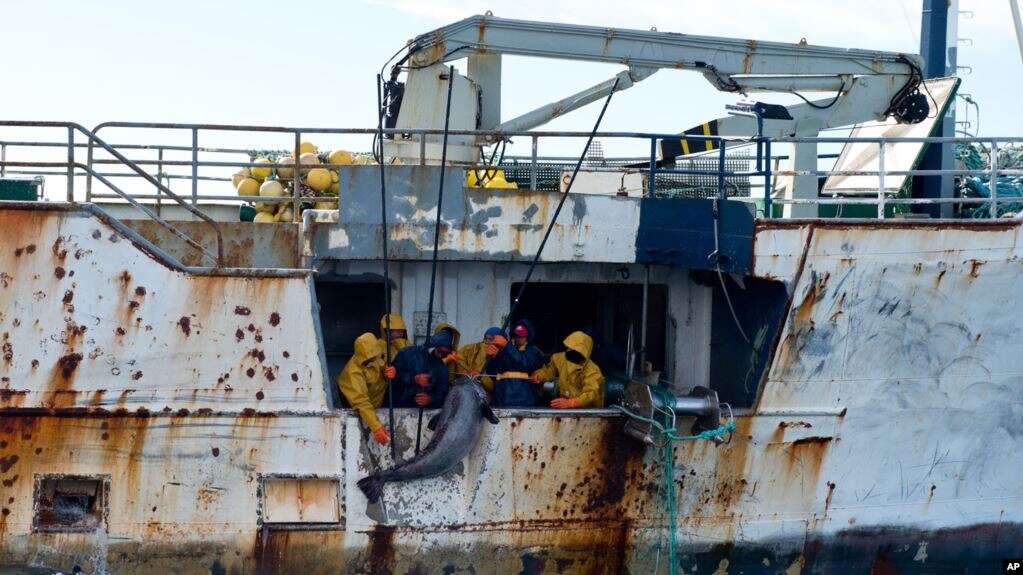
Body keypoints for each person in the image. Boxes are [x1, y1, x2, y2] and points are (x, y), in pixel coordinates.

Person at [336, 332, 391, 445]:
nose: (373, 359)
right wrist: (376, 428)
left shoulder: (374, 357)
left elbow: (380, 363)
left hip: (378, 403)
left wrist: (387, 371)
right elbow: (361, 402)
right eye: (370, 358)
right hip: (362, 410)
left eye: (375, 356)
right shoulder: (353, 373)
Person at [387, 323, 458, 408]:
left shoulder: (442, 368)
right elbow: (391, 380)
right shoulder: (406, 353)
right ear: (433, 346)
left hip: (421, 412)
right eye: (440, 351)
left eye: (445, 353)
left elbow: (443, 394)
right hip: (397, 408)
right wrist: (413, 379)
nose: (441, 355)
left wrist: (431, 399)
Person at [531, 331, 604, 409]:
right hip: (564, 408)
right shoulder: (559, 358)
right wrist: (539, 376)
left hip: (587, 412)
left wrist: (572, 403)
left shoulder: (592, 370)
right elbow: (549, 370)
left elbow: (591, 393)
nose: (571, 352)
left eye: (577, 351)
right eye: (570, 349)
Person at [485, 320, 545, 408]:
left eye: (522, 335)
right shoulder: (505, 351)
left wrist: (507, 346)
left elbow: (525, 364)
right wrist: (491, 358)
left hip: (526, 400)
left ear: (528, 336)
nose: (519, 338)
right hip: (502, 399)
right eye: (516, 335)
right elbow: (492, 373)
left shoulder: (534, 352)